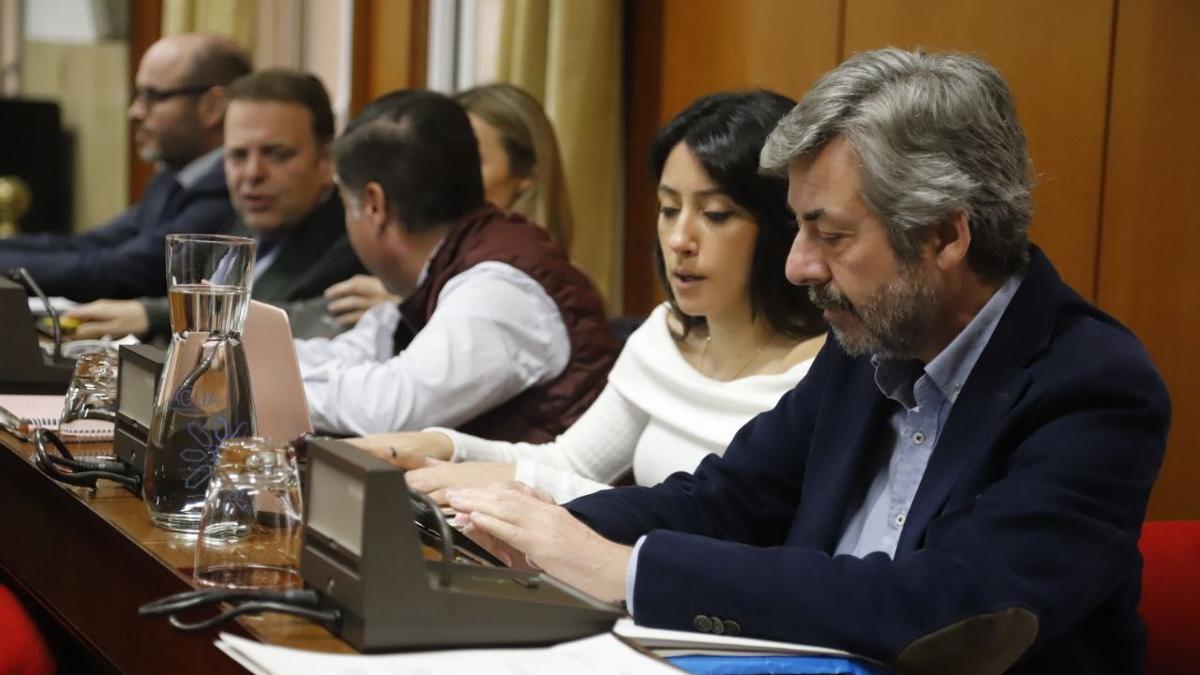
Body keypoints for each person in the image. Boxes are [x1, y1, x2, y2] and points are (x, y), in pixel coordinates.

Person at [444, 48, 1171, 674]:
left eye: (831, 234)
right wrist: (526, 528)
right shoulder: (868, 342)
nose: (797, 266)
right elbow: (722, 501)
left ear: (945, 236)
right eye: (797, 227)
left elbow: (952, 605)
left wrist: (628, 570)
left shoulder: (1093, 385)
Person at [348, 91, 826, 504]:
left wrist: (478, 473)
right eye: (668, 208)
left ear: (783, 225)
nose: (680, 238)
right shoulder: (667, 333)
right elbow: (572, 462)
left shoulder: (818, 375)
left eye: (716, 214)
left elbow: (714, 526)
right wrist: (443, 447)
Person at [295, 90, 618, 439]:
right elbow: (356, 353)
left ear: (374, 205)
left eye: (345, 201)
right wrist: (246, 364)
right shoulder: (445, 266)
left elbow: (390, 410)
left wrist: (260, 386)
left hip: (552, 494)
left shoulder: (502, 286)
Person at [65, 69, 364, 341]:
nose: (252, 173)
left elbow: (295, 319)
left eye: (276, 154)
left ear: (326, 160)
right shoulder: (244, 220)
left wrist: (152, 315)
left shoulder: (355, 240)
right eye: (237, 155)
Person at [0, 34, 250, 301]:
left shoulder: (229, 186)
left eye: (153, 96)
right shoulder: (172, 176)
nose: (135, 112)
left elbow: (120, 271)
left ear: (213, 106)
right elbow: (91, 245)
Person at [323, 82, 574, 328]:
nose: (446, 176)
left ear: (526, 175)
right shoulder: (414, 258)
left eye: (471, 163)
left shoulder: (527, 285)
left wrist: (409, 308)